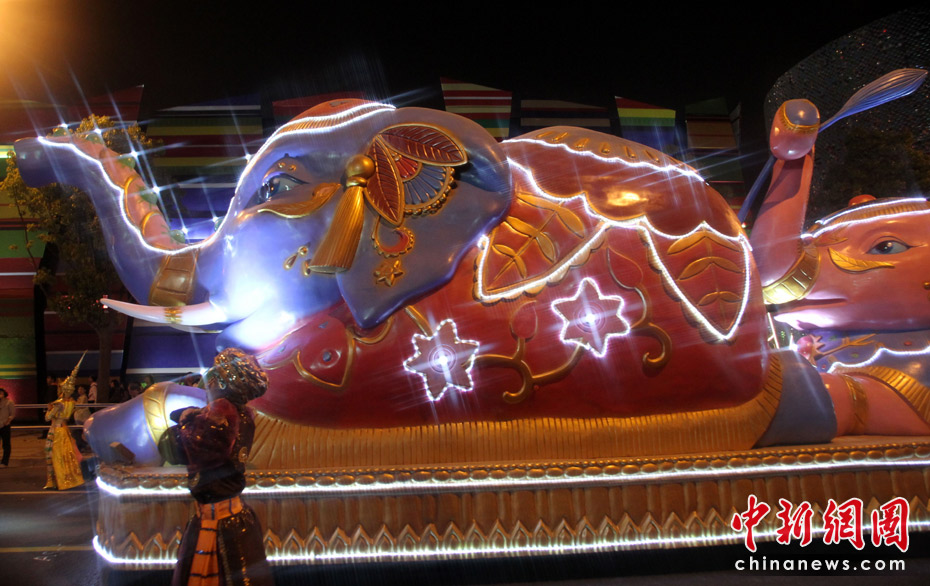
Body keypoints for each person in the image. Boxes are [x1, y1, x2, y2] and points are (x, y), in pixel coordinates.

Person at [160, 348, 273, 586]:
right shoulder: (241, 415)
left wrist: (186, 420)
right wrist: (191, 416)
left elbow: (170, 445)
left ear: (221, 382)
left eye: (213, 376)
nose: (208, 383)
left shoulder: (220, 419)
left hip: (218, 523)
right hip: (231, 515)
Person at [44, 359, 85, 490]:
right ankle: (66, 479)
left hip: (55, 431)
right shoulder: (71, 402)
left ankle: (54, 481)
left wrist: (49, 409)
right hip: (64, 430)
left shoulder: (59, 404)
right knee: (66, 456)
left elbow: (47, 418)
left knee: (52, 456)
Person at [0, 388, 15, 468]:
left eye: (1, 393)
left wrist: (8, 421)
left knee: (6, 444)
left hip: (5, 425)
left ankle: (4, 462)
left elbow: (12, 414)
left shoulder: (9, 402)